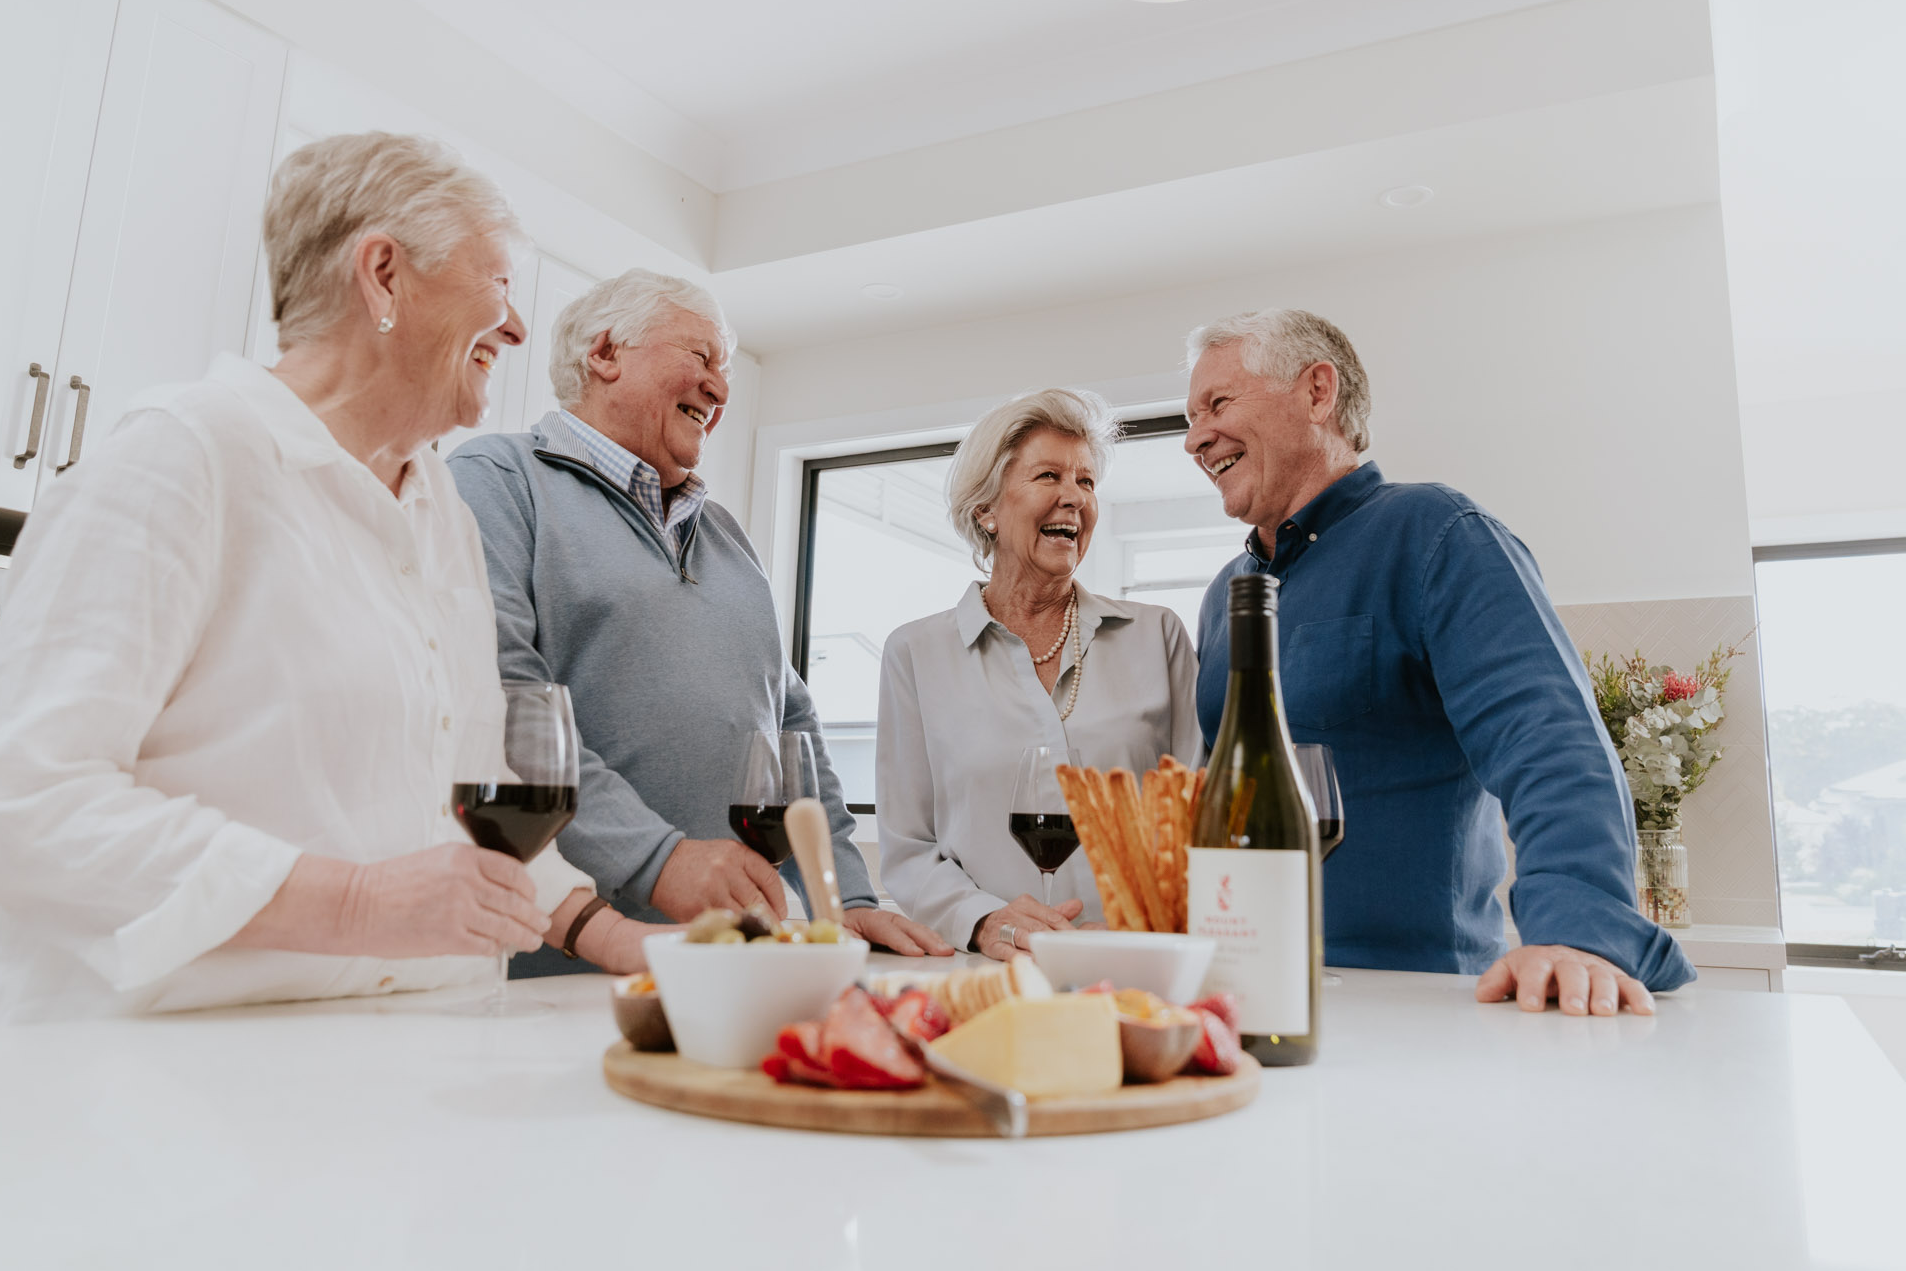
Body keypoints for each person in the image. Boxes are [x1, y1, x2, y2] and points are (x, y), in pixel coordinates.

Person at [0, 132, 663, 1031]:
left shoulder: (441, 510)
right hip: (107, 1068)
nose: (514, 327)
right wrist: (354, 903)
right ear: (383, 275)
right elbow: (9, 798)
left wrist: (630, 942)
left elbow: (471, 804)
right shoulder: (184, 456)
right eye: (499, 283)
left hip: (342, 1059)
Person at [1183, 308, 1694, 1017]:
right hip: (1240, 997)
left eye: (1217, 404)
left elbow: (1546, 736)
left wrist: (1578, 932)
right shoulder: (1226, 598)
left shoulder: (1437, 535)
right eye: (1191, 418)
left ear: (1317, 392)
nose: (1194, 438)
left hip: (1415, 1004)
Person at [448, 270, 952, 971]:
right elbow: (499, 698)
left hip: (721, 964)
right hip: (548, 964)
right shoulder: (498, 478)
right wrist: (657, 858)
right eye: (702, 356)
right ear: (605, 353)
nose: (720, 388)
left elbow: (791, 731)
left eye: (727, 369)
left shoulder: (726, 535)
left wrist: (843, 896)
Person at [876, 389, 1200, 960]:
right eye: (1049, 475)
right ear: (987, 510)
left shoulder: (1158, 635)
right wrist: (985, 921)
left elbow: (1201, 817)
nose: (1074, 497)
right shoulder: (915, 653)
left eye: (1087, 481)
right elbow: (908, 848)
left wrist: (1146, 927)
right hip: (991, 970)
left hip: (1137, 962)